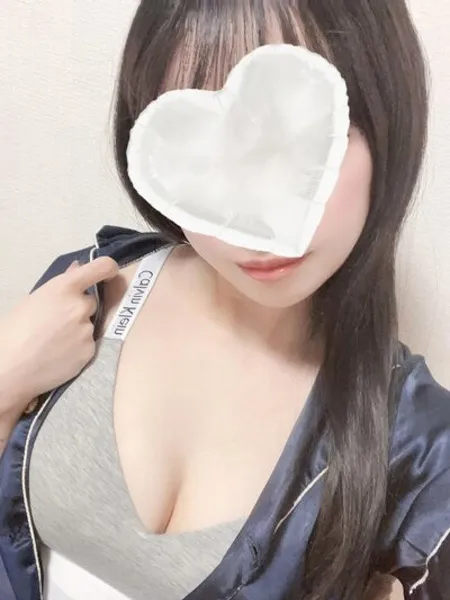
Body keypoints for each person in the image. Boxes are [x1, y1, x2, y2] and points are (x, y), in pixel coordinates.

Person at [0, 1, 448, 600]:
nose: (256, 221)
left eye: (303, 134)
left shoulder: (416, 443)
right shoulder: (84, 291)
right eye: (202, 144)